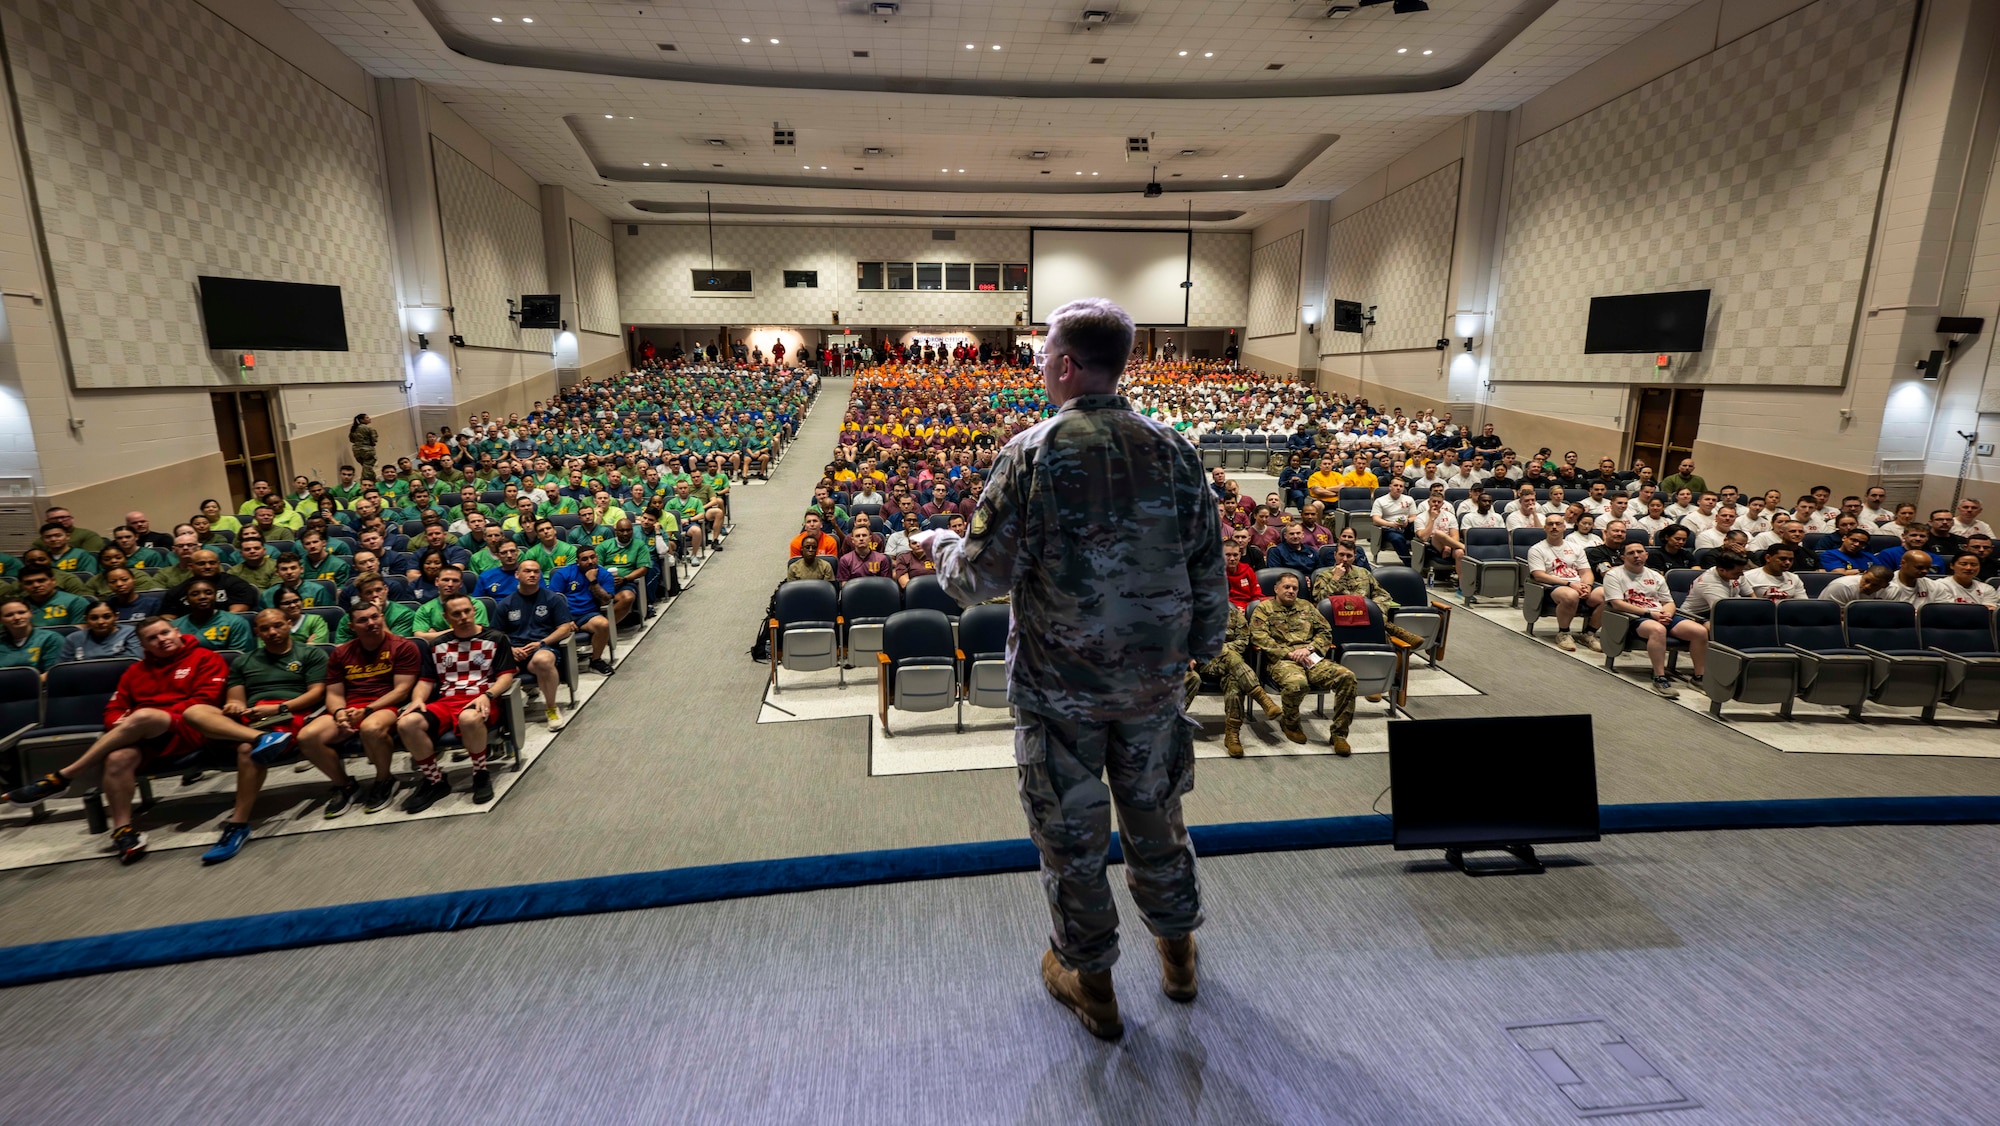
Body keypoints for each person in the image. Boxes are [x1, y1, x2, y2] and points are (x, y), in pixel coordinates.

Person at [921, 298, 1221, 1040]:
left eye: (1042, 354)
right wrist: (1199, 653)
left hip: (1062, 695)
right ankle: (1178, 956)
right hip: (1153, 685)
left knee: (1073, 841)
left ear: (1063, 366)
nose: (1039, 365)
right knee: (1158, 820)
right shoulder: (1175, 449)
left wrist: (936, 545)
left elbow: (976, 578)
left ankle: (1093, 986)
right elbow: (1208, 570)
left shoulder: (1032, 451)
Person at [4, 617, 229, 862]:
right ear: (143, 645)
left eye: (165, 633)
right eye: (152, 638)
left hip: (190, 727)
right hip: (145, 734)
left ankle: (64, 776)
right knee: (117, 757)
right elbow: (114, 709)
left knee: (143, 715)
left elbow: (205, 701)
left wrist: (147, 718)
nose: (161, 640)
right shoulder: (135, 671)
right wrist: (124, 723)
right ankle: (123, 829)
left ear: (176, 631)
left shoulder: (206, 658)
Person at [182, 609, 329, 864]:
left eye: (277, 626)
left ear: (289, 624)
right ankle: (259, 738)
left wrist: (278, 708)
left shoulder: (309, 653)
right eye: (265, 629)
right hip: (251, 717)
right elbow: (236, 698)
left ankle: (237, 825)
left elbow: (316, 693)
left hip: (288, 715)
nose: (272, 632)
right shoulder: (243, 661)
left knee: (245, 751)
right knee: (194, 712)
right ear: (256, 632)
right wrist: (234, 707)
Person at [296, 602, 423, 816]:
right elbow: (334, 694)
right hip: (350, 707)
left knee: (371, 728)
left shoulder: (402, 646)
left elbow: (401, 691)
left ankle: (384, 780)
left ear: (382, 617)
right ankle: (344, 784)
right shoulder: (341, 653)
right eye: (363, 620)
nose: (371, 623)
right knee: (307, 736)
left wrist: (367, 711)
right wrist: (339, 713)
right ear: (352, 626)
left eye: (375, 617)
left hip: (386, 705)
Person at [395, 593, 517, 814]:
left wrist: (487, 695)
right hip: (446, 701)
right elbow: (426, 680)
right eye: (456, 614)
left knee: (468, 718)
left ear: (474, 610)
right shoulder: (438, 644)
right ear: (446, 617)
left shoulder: (496, 638)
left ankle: (480, 773)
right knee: (406, 723)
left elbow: (506, 676)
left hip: (482, 697)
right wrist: (417, 700)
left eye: (467, 611)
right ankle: (435, 780)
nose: (463, 617)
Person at [1249, 572, 1359, 752]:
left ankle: (1339, 734)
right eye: (1286, 587)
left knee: (1347, 677)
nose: (1291, 591)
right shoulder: (1264, 609)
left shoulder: (1307, 606)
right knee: (1297, 683)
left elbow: (1325, 632)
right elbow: (1258, 637)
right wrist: (1289, 653)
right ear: (1276, 589)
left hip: (1310, 657)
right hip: (1283, 660)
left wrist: (1309, 649)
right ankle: (1290, 723)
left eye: (1294, 588)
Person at [1603, 540, 1705, 697]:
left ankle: (1699, 677)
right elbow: (1617, 604)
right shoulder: (1613, 575)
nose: (1636, 556)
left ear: (1646, 555)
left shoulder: (1655, 575)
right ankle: (1659, 677)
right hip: (1633, 617)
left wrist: (1667, 614)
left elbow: (1669, 602)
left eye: (1640, 552)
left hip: (1659, 614)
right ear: (1623, 557)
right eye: (1631, 553)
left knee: (1699, 631)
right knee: (1657, 630)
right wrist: (1649, 614)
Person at [1183, 601, 1276, 759]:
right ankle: (1260, 696)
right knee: (1232, 661)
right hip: (1204, 665)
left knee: (1234, 680)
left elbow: (1244, 640)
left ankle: (1232, 735)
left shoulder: (1233, 614)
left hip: (1231, 665)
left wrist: (1223, 649)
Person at [496, 559, 574, 730]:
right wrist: (510, 649)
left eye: (536, 571)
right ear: (517, 574)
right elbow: (496, 635)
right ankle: (499, 721)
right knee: (496, 668)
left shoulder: (552, 599)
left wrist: (541, 643)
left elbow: (565, 628)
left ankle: (551, 708)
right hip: (515, 651)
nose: (532, 574)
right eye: (527, 571)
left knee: (542, 660)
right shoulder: (506, 604)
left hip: (543, 647)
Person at [1526, 515, 1604, 651]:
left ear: (1564, 527)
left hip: (1578, 584)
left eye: (1558, 524)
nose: (1554, 527)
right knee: (1571, 595)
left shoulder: (1576, 548)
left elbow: (1586, 572)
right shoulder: (1537, 549)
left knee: (1606, 594)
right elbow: (1538, 575)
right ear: (1545, 528)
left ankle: (1588, 634)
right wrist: (1569, 584)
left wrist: (1588, 586)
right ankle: (1564, 633)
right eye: (1550, 524)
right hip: (1553, 586)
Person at [549, 545, 617, 675]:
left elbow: (606, 600)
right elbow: (553, 601)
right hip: (564, 615)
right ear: (577, 562)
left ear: (597, 557)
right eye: (585, 559)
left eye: (592, 557)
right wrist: (566, 619)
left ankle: (595, 661)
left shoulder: (604, 575)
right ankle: (559, 663)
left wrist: (593, 581)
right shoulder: (563, 574)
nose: (590, 561)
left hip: (588, 615)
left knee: (603, 624)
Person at [61, 599, 142, 661]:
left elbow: (135, 660)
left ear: (116, 616)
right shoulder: (74, 639)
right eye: (94, 618)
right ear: (86, 619)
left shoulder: (130, 633)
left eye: (107, 617)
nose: (100, 622)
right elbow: (64, 668)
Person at [0, 598, 64, 672]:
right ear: (1, 620)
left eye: (21, 612)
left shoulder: (51, 638)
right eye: (9, 615)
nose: (17, 618)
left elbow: (53, 672)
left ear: (31, 613)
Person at [1741, 543, 1807, 601]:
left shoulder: (1794, 578)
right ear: (1768, 558)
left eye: (1791, 559)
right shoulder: (1748, 577)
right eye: (1783, 559)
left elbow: (1802, 604)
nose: (1788, 562)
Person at [1930, 551, 1999, 607]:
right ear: (1952, 566)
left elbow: (1988, 611)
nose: (1968, 568)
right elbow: (1947, 610)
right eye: (1963, 564)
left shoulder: (1987, 588)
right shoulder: (1939, 585)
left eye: (1973, 565)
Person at [348, 413, 379, 482]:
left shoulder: (354, 429)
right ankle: (365, 482)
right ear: (362, 420)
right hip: (367, 450)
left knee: (367, 468)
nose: (369, 418)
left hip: (356, 450)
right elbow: (374, 439)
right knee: (367, 468)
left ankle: (374, 481)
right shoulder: (368, 428)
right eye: (367, 418)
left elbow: (351, 439)